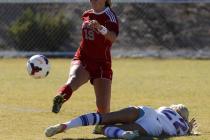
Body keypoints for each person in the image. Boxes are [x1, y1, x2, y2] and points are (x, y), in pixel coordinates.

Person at [52, 0, 119, 116]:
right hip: (83, 58)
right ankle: (60, 97)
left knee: (103, 108)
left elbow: (113, 37)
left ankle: (101, 123)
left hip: (102, 64)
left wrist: (100, 27)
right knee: (73, 80)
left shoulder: (110, 16)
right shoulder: (86, 14)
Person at [45, 104, 198, 139]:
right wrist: (190, 130)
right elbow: (174, 132)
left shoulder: (166, 108)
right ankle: (123, 133)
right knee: (105, 128)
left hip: (147, 110)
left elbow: (164, 111)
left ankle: (66, 125)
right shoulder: (184, 127)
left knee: (104, 117)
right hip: (156, 127)